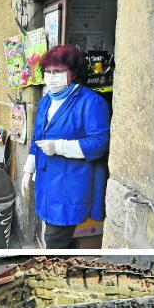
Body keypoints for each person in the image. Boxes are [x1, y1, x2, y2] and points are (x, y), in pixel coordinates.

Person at [23, 44, 111, 248]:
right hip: (47, 181)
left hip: (70, 183)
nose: (51, 76)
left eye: (58, 71)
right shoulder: (46, 101)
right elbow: (38, 136)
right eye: (48, 71)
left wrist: (60, 147)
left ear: (73, 73)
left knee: (54, 239)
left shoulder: (91, 103)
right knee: (56, 235)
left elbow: (100, 143)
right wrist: (29, 168)